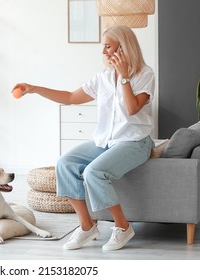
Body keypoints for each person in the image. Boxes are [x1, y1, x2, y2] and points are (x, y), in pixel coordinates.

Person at [12, 25, 155, 251]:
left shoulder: (145, 74)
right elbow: (70, 97)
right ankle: (87, 226)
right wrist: (35, 88)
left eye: (108, 46)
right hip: (105, 143)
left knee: (93, 172)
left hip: (134, 142)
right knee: (64, 164)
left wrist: (125, 78)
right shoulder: (104, 78)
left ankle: (123, 227)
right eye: (104, 46)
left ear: (123, 46)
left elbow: (132, 109)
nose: (104, 52)